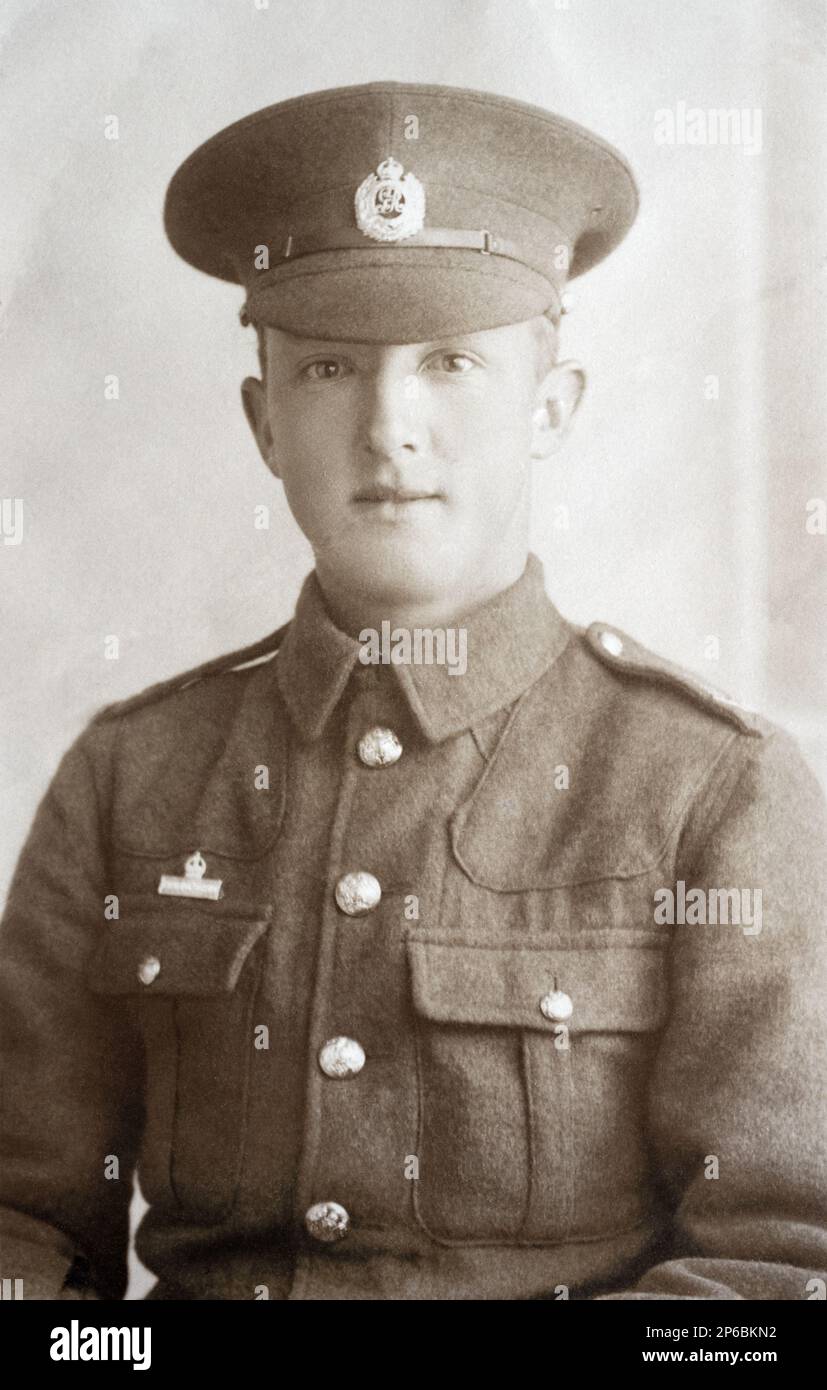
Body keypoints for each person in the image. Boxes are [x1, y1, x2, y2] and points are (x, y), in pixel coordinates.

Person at [1, 81, 825, 1302]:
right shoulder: (132, 776)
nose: (390, 428)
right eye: (330, 367)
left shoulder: (709, 787)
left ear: (550, 406)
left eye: (450, 364)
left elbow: (776, 1273)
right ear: (263, 421)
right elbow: (23, 1230)